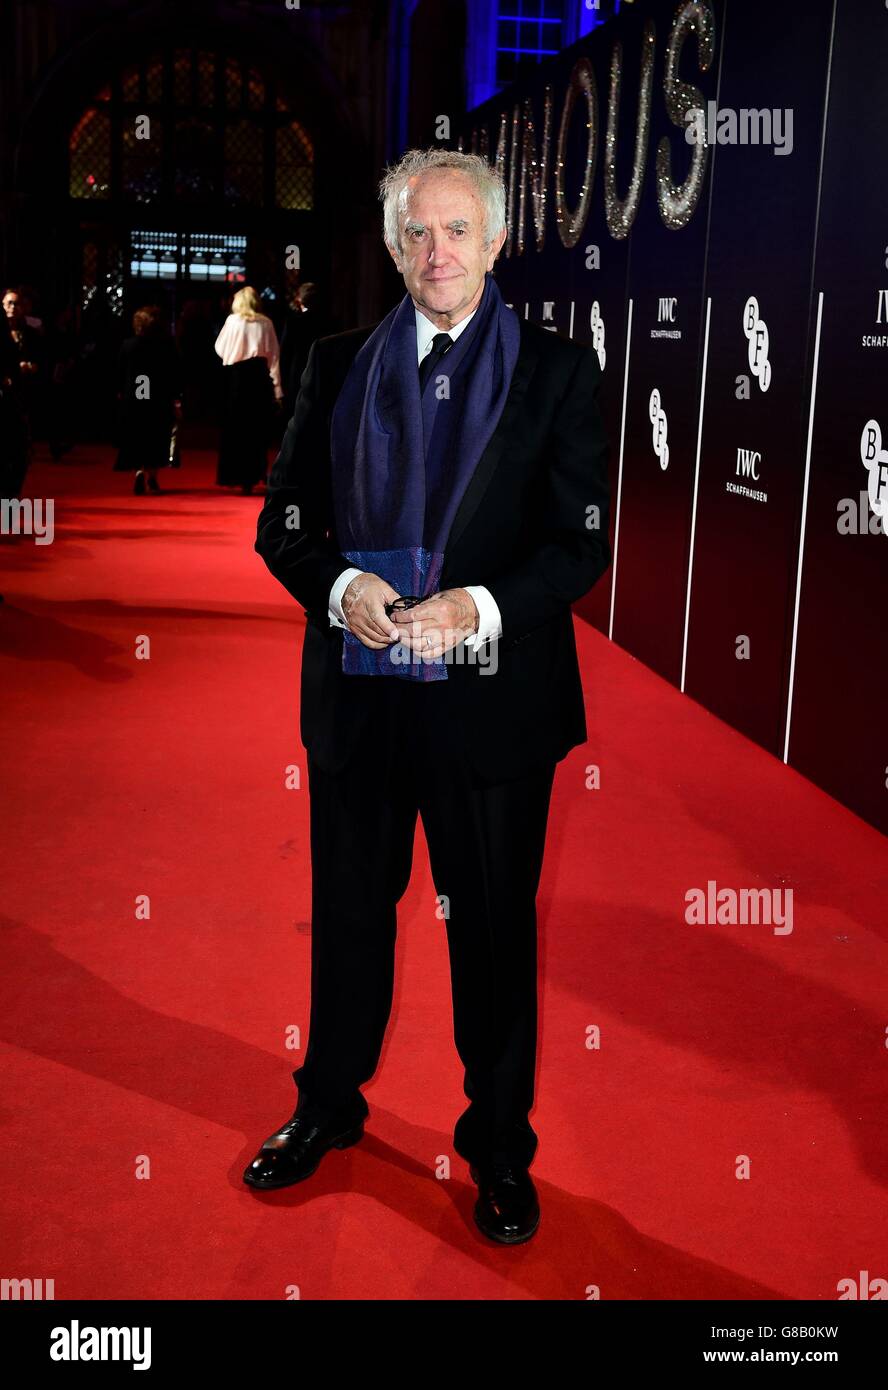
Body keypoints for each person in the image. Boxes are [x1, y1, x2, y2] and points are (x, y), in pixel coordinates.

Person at [247, 149, 611, 1245]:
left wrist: (484, 608)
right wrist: (343, 583)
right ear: (395, 243)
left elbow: (576, 543)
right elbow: (286, 523)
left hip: (491, 707)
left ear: (497, 242)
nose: (436, 252)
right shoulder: (338, 360)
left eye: (457, 231)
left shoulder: (556, 372)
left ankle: (499, 1147)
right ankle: (328, 1106)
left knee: (492, 935)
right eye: (416, 233)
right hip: (361, 698)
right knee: (351, 920)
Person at [214, 286, 282, 494]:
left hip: (236, 379)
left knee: (236, 428)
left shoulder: (232, 322)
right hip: (258, 379)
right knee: (256, 429)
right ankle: (254, 473)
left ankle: (236, 474)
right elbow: (274, 357)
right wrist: (278, 389)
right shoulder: (266, 322)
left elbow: (220, 348)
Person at [113, 305, 182, 495]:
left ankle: (138, 470)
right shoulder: (166, 346)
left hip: (134, 398)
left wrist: (120, 392)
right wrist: (176, 398)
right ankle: (152, 475)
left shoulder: (128, 345)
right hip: (158, 400)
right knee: (156, 437)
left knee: (136, 436)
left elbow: (120, 372)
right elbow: (175, 374)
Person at [279, 282, 339, 420]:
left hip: (297, 375)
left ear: (301, 300)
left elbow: (285, 355)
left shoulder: (294, 322)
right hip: (324, 376)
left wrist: (283, 383)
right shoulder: (331, 322)